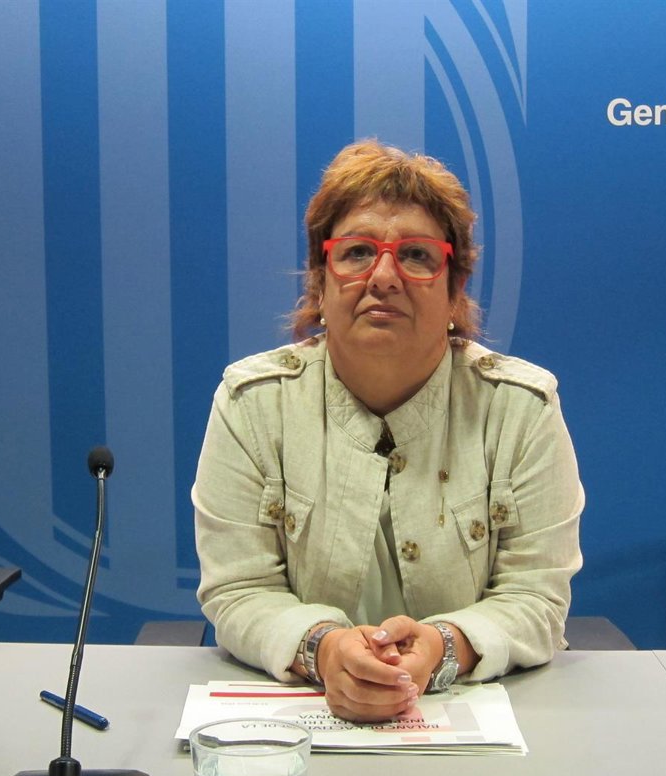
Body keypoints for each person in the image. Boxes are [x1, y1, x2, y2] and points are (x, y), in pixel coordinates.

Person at [192, 139, 583, 722]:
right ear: (319, 283)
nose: (384, 277)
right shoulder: (253, 403)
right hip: (299, 715)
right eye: (356, 253)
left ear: (455, 290)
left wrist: (443, 648)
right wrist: (325, 650)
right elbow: (238, 590)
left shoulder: (520, 408)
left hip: (470, 715)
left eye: (417, 256)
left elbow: (537, 597)